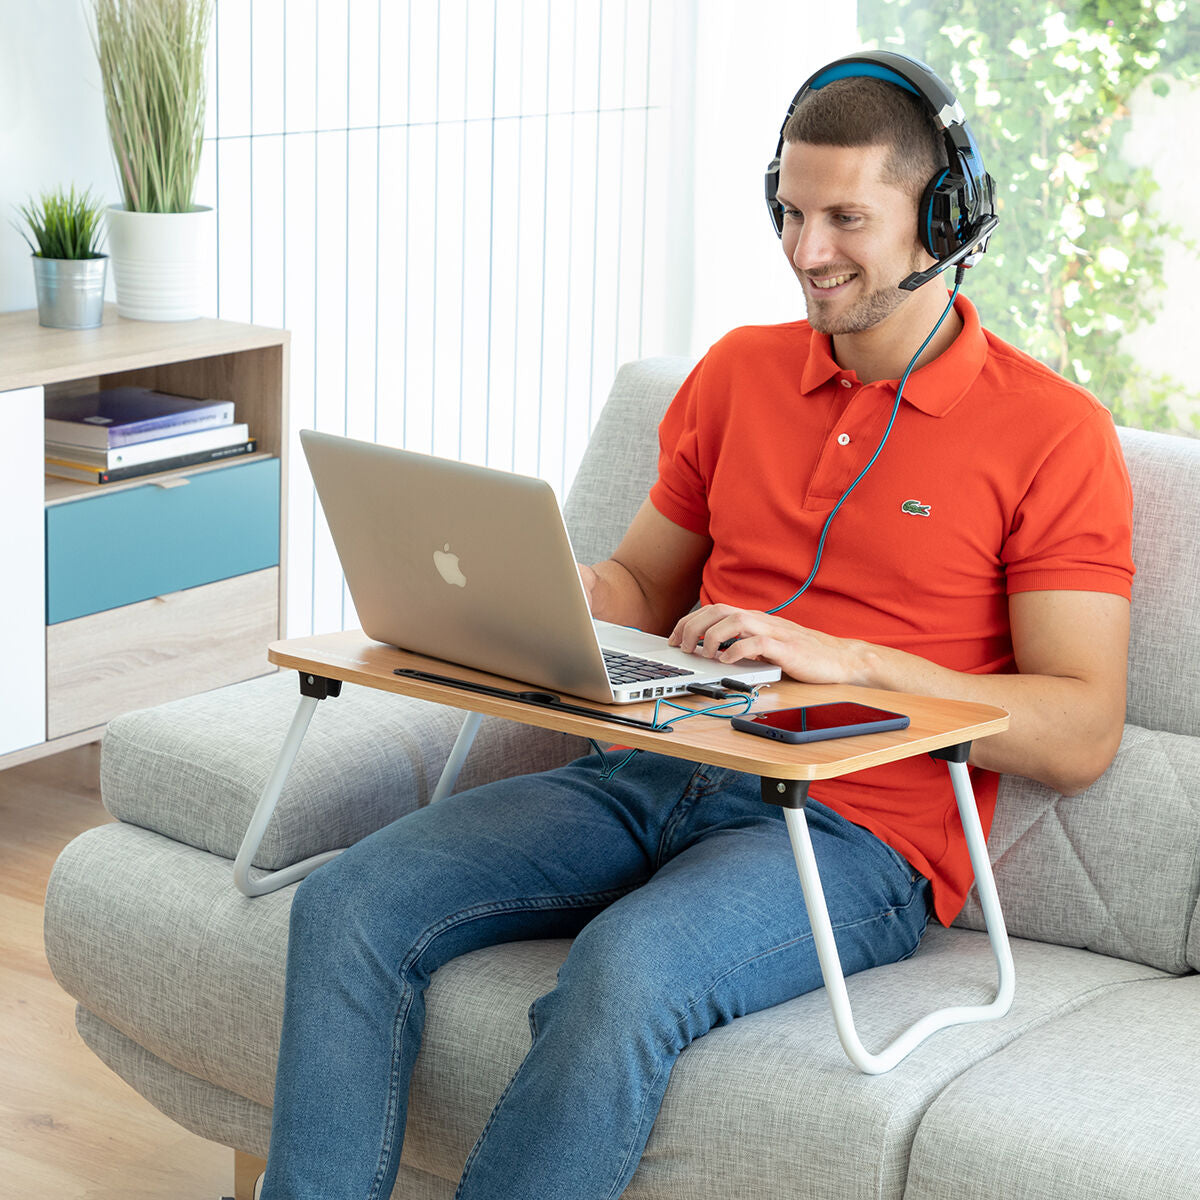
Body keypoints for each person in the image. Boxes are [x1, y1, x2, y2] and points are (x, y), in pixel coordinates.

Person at [259, 51, 1133, 1200]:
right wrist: (532, 588)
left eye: (845, 219)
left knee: (623, 973)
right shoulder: (738, 373)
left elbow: (1080, 732)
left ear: (945, 217)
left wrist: (847, 657)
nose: (805, 253)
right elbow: (637, 585)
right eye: (789, 212)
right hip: (648, 769)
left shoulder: (1054, 433)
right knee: (348, 903)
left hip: (849, 841)